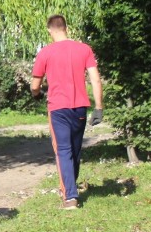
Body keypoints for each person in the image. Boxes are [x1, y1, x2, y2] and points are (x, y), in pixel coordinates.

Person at [30, 14, 103, 210]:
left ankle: (70, 197)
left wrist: (36, 94)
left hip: (58, 108)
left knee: (63, 150)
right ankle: (70, 187)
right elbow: (95, 79)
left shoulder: (45, 53)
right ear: (66, 27)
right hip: (80, 106)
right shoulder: (84, 49)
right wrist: (99, 107)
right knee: (75, 150)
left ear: (49, 30)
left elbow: (35, 85)